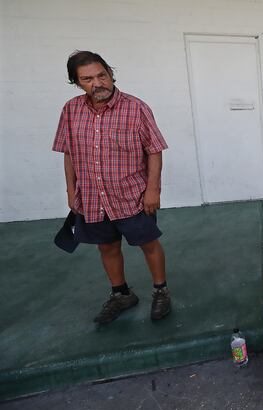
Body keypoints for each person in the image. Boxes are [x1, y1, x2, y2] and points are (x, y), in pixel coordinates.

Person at [52, 50, 171, 324]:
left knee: (148, 244)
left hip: (131, 195)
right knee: (106, 247)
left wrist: (153, 190)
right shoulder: (70, 111)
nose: (98, 83)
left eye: (102, 75)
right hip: (92, 198)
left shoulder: (135, 108)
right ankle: (121, 294)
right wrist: (71, 191)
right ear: (77, 82)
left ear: (110, 73)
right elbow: (68, 153)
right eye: (88, 79)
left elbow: (154, 150)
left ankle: (161, 290)